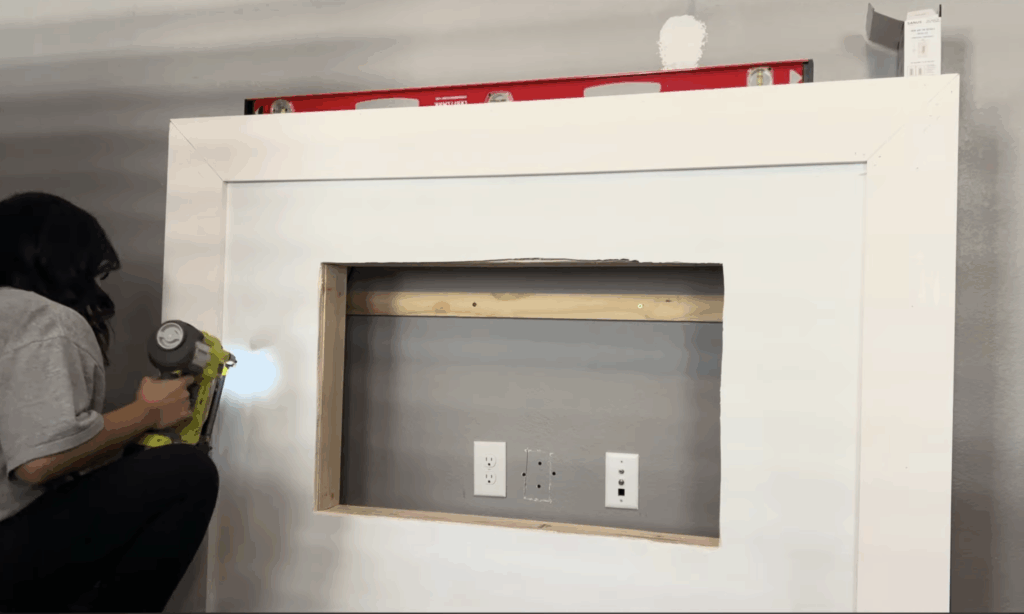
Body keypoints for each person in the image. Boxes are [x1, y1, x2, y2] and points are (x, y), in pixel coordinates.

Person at [0, 192, 220, 613]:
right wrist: (148, 412)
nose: (98, 290)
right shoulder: (44, 318)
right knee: (184, 473)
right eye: (98, 275)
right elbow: (38, 463)